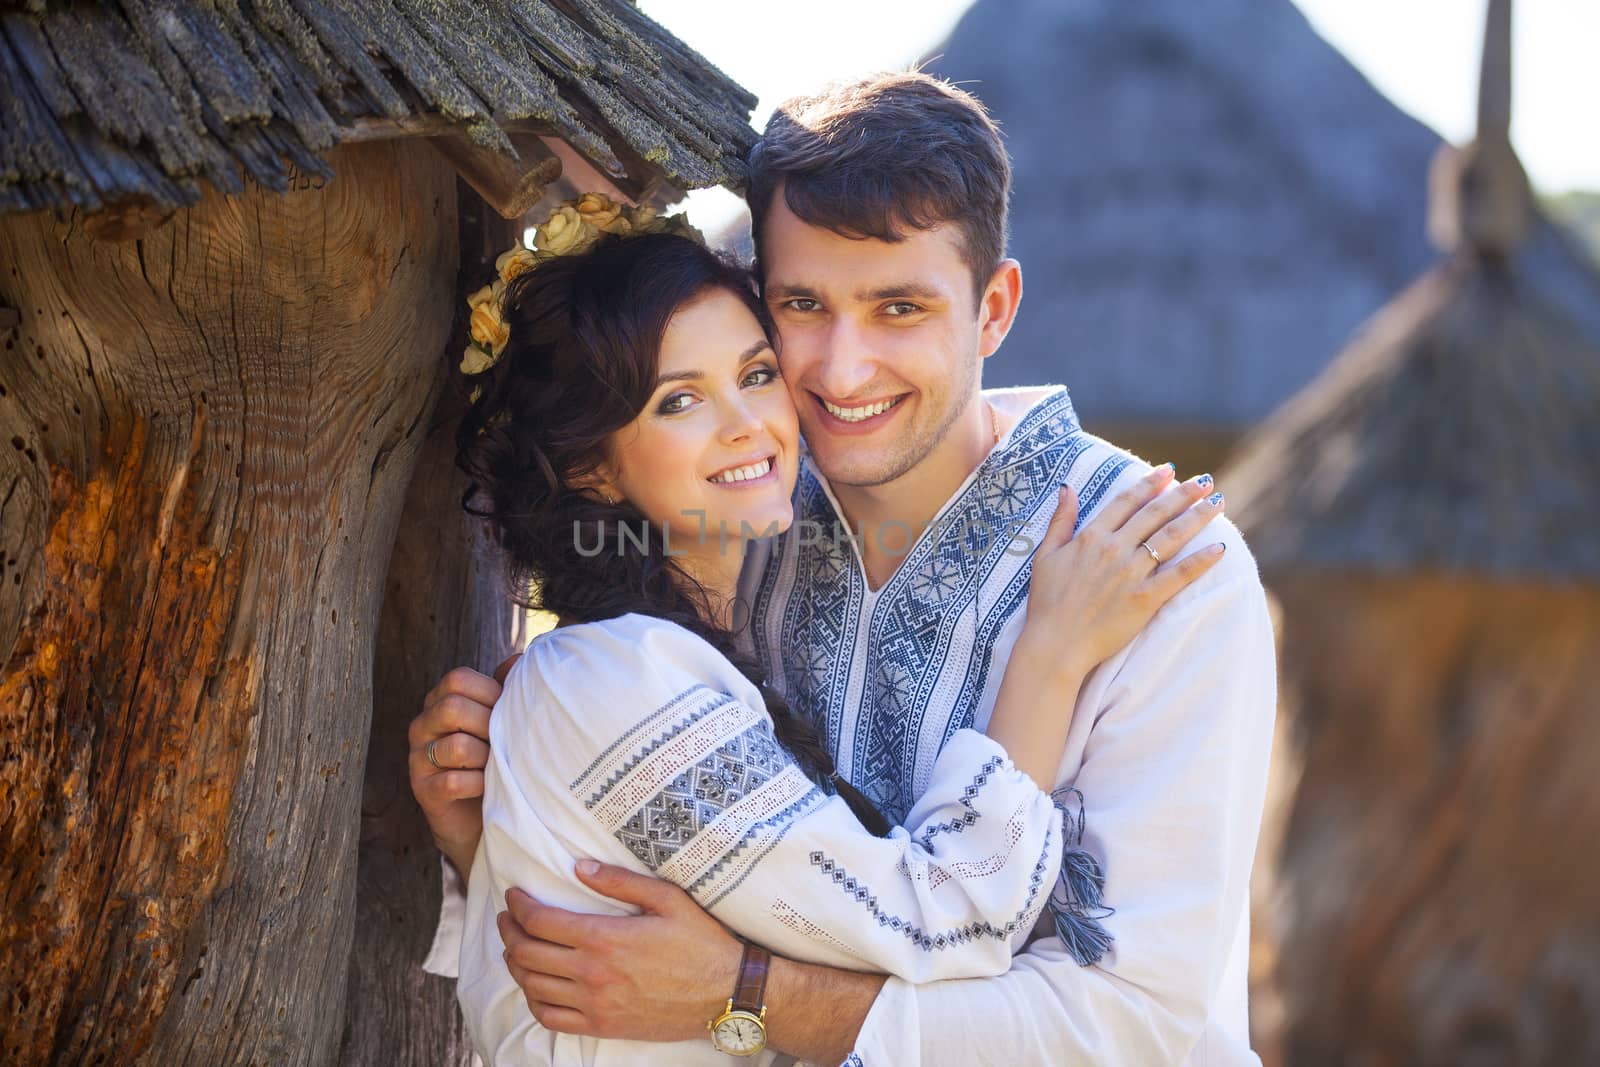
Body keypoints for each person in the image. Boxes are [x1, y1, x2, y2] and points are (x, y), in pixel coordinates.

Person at [414, 72, 1276, 1066]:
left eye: (898, 307)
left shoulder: (1159, 573)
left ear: (992, 309)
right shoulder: (739, 525)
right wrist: (506, 818)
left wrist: (747, 994)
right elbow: (640, 920)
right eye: (801, 305)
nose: (839, 366)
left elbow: (1124, 1024)